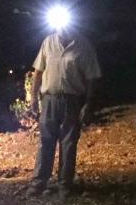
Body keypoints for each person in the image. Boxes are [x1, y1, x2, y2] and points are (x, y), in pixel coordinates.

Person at [28, 23, 102, 195]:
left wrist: (89, 104)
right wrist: (33, 96)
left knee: (68, 142)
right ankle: (39, 182)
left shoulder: (83, 45)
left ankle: (65, 184)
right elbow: (38, 71)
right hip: (49, 99)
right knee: (46, 141)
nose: (61, 30)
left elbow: (92, 77)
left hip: (71, 100)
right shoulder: (48, 42)